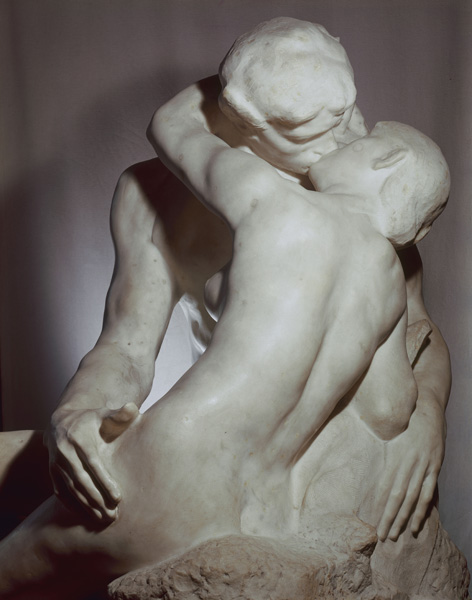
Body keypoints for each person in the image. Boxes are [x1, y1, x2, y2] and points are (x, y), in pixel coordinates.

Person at [0, 107, 450, 596]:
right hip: (260, 506)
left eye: (355, 130)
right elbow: (388, 410)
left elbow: (170, 126)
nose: (346, 132)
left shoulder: (272, 200)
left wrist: (430, 415)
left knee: (11, 573)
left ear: (384, 161)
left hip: (176, 462)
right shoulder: (386, 274)